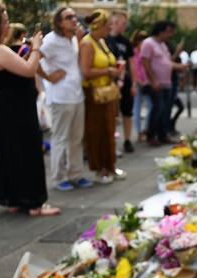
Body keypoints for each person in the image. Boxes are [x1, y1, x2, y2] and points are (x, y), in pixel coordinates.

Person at [0, 2, 60, 216]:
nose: (8, 26)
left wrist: (30, 54)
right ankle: (34, 204)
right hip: (16, 108)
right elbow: (29, 71)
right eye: (5, 22)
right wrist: (37, 46)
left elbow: (17, 68)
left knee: (10, 153)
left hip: (5, 107)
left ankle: (16, 199)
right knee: (28, 151)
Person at [38, 6, 92, 192]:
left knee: (76, 138)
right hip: (60, 96)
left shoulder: (73, 38)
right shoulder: (50, 40)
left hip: (76, 95)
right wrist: (47, 76)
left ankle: (76, 174)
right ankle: (59, 177)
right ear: (59, 22)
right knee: (60, 138)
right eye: (69, 17)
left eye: (74, 16)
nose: (74, 19)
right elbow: (32, 56)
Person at [80, 9, 124, 184]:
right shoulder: (87, 43)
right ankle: (99, 168)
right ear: (99, 26)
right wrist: (108, 70)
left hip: (106, 92)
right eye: (108, 25)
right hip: (93, 93)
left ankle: (110, 164)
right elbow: (85, 71)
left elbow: (107, 61)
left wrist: (117, 65)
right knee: (96, 131)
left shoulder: (101, 42)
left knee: (109, 130)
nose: (110, 28)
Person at [140, 20, 184, 146]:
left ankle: (162, 134)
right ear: (160, 31)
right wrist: (153, 80)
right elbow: (146, 63)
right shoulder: (148, 43)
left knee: (164, 109)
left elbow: (167, 62)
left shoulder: (163, 45)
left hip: (166, 83)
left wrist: (180, 66)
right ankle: (151, 134)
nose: (170, 35)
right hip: (154, 83)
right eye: (168, 32)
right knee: (158, 108)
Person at [105, 10, 136, 156]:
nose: (125, 26)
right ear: (116, 22)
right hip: (109, 82)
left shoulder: (125, 42)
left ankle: (127, 139)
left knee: (127, 111)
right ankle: (111, 141)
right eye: (124, 23)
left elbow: (130, 63)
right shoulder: (104, 40)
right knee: (112, 113)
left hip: (124, 81)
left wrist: (133, 83)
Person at [130, 30, 152, 142]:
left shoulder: (145, 53)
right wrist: (138, 81)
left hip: (146, 83)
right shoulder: (133, 52)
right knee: (137, 108)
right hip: (138, 83)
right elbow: (133, 69)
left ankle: (146, 129)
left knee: (151, 105)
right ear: (138, 42)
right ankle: (139, 132)